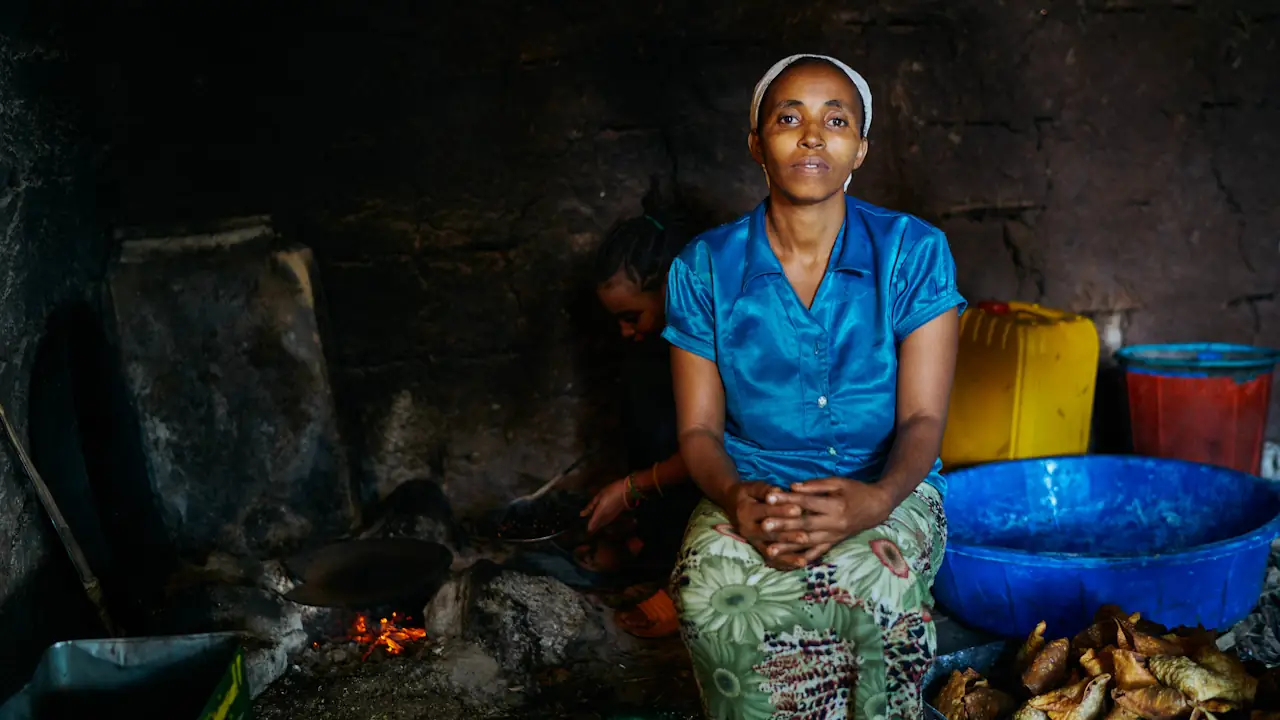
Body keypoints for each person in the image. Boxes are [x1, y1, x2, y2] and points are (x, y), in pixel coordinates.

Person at [662, 54, 965, 719]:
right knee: (707, 582)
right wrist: (738, 499)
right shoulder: (704, 269)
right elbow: (698, 431)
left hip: (888, 486)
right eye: (787, 118)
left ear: (859, 148)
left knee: (878, 584)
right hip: (754, 489)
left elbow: (921, 420)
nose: (810, 135)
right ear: (756, 144)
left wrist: (877, 501)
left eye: (835, 119)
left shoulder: (914, 252)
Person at [576, 204, 704, 638]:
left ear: (669, 285)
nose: (626, 331)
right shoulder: (649, 358)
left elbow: (714, 449)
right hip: (674, 490)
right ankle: (651, 547)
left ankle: (686, 581)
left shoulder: (717, 342)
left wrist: (630, 490)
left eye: (631, 317)